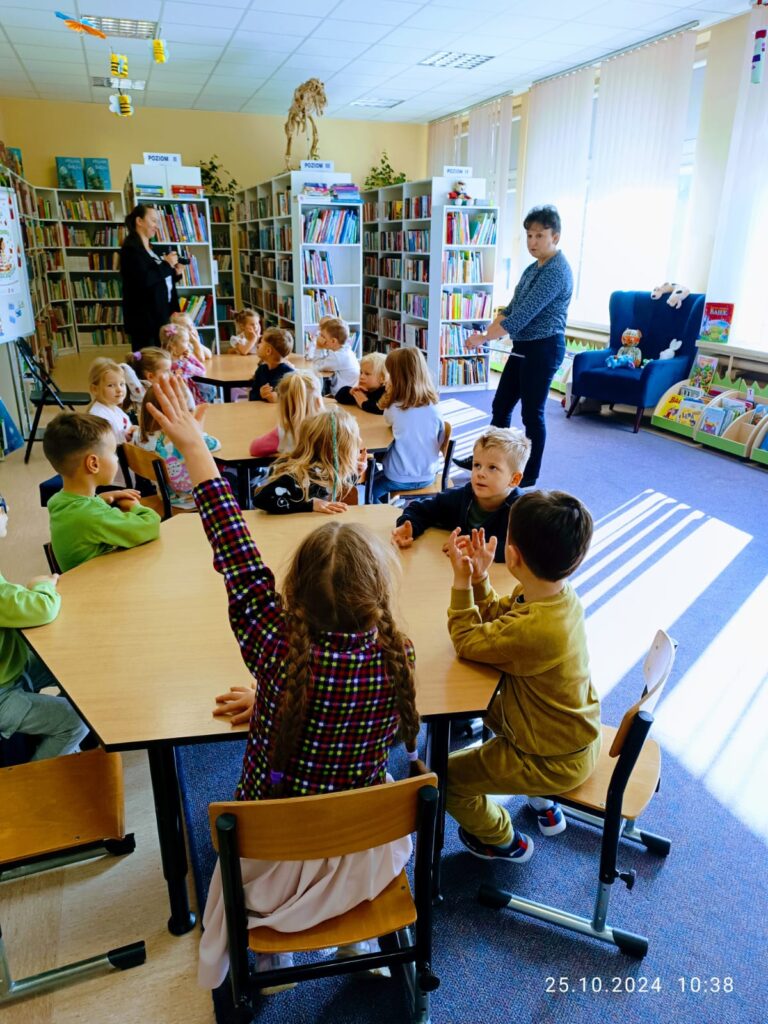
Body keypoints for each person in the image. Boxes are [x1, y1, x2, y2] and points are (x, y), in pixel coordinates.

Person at [144, 374, 422, 991]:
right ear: (379, 600)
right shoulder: (397, 654)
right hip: (364, 852)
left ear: (289, 593)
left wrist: (195, 448)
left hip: (270, 863)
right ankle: (352, 930)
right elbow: (338, 705)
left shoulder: (275, 646)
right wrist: (273, 698)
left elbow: (235, 551)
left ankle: (278, 954)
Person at [443, 490, 600, 862]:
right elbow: (503, 617)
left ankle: (504, 840)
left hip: (549, 756)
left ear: (511, 556)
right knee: (486, 703)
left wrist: (462, 583)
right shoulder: (553, 595)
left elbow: (466, 641)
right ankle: (541, 800)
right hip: (563, 733)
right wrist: (481, 578)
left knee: (445, 779)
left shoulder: (538, 628)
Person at [455, 205, 573, 488]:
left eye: (539, 236)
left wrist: (483, 338)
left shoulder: (556, 270)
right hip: (524, 345)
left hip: (544, 347)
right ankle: (488, 461)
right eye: (529, 236)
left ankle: (528, 475)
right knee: (501, 405)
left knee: (532, 414)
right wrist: (486, 331)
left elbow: (522, 316)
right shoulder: (533, 268)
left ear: (554, 237)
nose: (532, 242)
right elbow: (511, 308)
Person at [0, 493, 88, 760]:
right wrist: (42, 585)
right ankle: (37, 778)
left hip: (10, 665)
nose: (6, 510)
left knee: (69, 660)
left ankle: (53, 736)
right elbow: (42, 608)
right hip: (3, 693)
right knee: (75, 723)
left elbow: (10, 601)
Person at [43, 413, 161, 572]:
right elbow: (150, 526)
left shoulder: (59, 500)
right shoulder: (92, 516)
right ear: (93, 463)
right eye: (113, 453)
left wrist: (102, 498)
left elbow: (84, 513)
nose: (116, 459)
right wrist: (135, 506)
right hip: (100, 588)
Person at [392, 427, 529, 559]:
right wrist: (409, 527)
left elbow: (529, 548)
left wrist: (478, 549)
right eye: (477, 465)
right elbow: (419, 509)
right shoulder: (461, 496)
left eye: (492, 468)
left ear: (514, 479)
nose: (480, 473)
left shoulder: (523, 511)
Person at [251, 408, 365, 515]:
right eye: (355, 440)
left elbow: (338, 489)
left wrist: (355, 473)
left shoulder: (331, 469)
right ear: (337, 450)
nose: (360, 441)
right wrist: (310, 504)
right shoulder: (299, 475)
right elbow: (261, 499)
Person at [371, 346, 444, 503]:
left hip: (398, 476)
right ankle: (388, 506)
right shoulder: (434, 404)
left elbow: (387, 420)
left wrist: (390, 393)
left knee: (367, 491)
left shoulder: (395, 407)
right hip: (428, 475)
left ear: (396, 378)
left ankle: (386, 516)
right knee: (374, 475)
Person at [135, 386, 221, 511]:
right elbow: (215, 444)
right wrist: (199, 434)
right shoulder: (177, 440)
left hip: (165, 496)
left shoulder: (142, 436)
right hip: (191, 501)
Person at [120, 204, 182, 352]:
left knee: (163, 360)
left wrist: (174, 274)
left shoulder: (151, 249)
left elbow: (157, 279)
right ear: (139, 221)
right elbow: (142, 280)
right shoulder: (131, 250)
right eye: (153, 221)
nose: (157, 226)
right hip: (145, 320)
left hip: (161, 314)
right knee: (150, 362)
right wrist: (167, 265)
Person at [249, 369, 323, 458]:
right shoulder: (332, 429)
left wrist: (281, 455)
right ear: (319, 402)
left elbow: (254, 448)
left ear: (282, 407)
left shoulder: (282, 434)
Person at [159, 322, 212, 405]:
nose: (188, 345)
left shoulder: (162, 361)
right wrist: (191, 357)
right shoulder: (183, 365)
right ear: (173, 346)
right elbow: (202, 370)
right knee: (211, 389)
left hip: (170, 399)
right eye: (186, 342)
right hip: (187, 400)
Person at [305, 317, 360, 398]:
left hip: (342, 396)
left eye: (323, 336)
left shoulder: (338, 357)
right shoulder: (344, 350)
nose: (320, 338)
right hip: (344, 392)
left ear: (333, 341)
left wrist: (319, 347)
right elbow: (324, 360)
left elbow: (317, 365)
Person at [87, 357, 133, 443]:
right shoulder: (98, 416)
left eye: (122, 384)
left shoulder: (117, 410)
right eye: (111, 385)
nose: (119, 389)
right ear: (95, 389)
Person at [249, 327, 295, 402]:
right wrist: (260, 394)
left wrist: (279, 399)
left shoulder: (289, 375)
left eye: (261, 342)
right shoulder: (261, 370)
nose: (258, 345)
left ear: (268, 351)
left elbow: (295, 399)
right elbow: (251, 396)